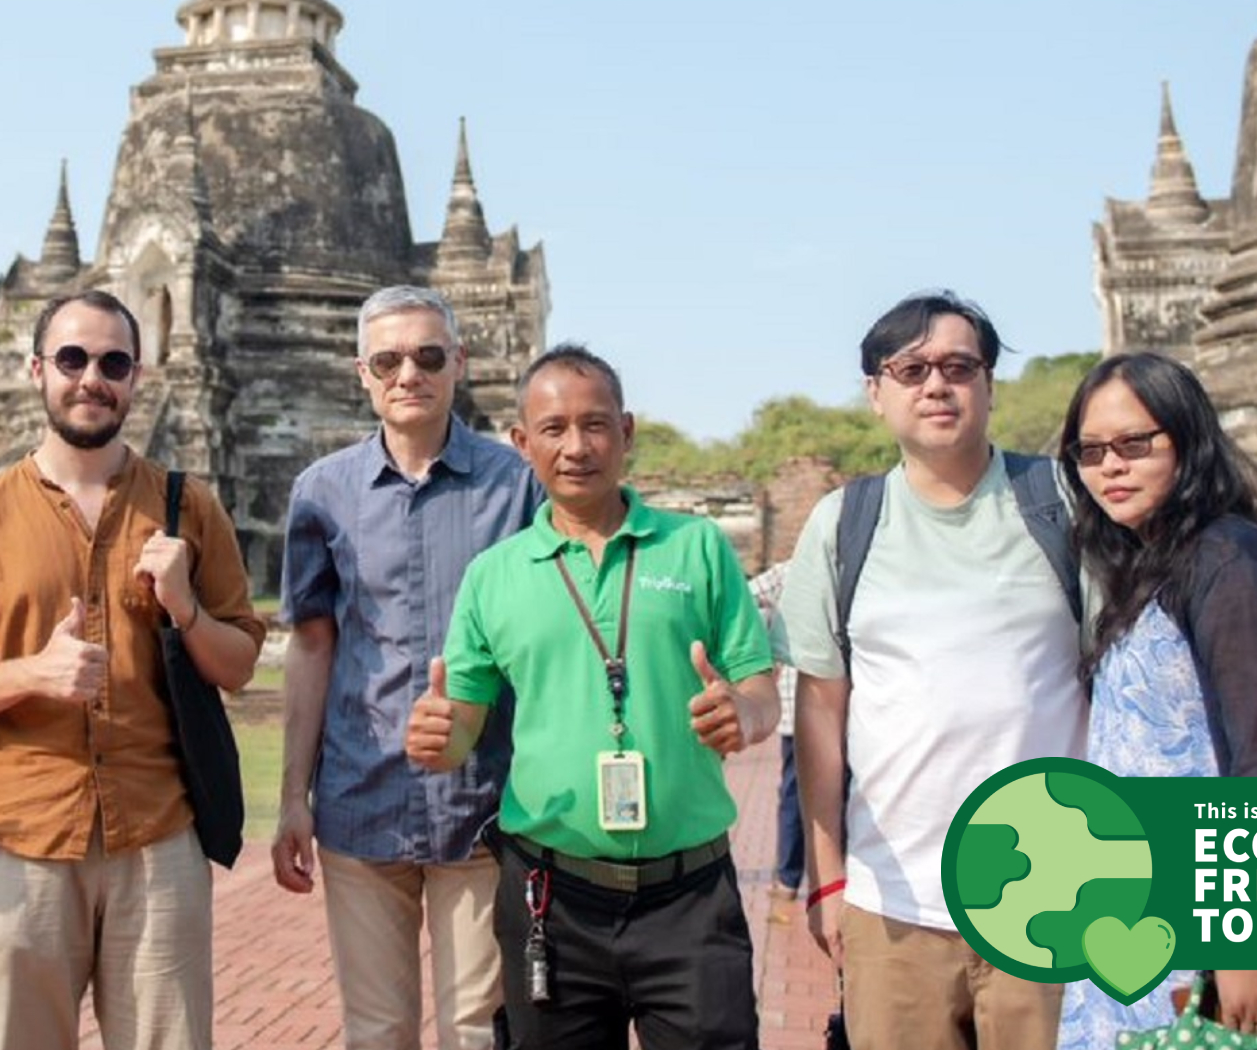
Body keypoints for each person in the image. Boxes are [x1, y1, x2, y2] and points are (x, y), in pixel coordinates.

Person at [0, 290, 266, 1049]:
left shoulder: (188, 509)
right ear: (37, 370)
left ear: (138, 376)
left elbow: (238, 663)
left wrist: (186, 609)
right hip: (21, 835)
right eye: (71, 358)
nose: (91, 378)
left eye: (113, 362)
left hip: (157, 835)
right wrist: (32, 674)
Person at [407, 344, 777, 1050]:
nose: (576, 446)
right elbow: (463, 724)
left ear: (627, 432)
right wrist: (439, 734)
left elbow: (758, 685)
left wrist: (745, 713)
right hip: (552, 898)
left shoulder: (695, 548)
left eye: (596, 424)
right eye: (553, 429)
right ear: (522, 444)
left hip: (691, 895)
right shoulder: (495, 576)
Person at [772, 291, 1084, 1050]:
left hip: (1059, 890)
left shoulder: (1063, 504)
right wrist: (828, 878)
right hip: (894, 895)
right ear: (876, 395)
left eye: (957, 366)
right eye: (910, 369)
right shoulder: (845, 523)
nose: (936, 385)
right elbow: (820, 709)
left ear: (988, 384)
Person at [1052, 351, 1257, 1049]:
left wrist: (1248, 938)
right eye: (1089, 451)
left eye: (1135, 443)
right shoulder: (1151, 563)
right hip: (1152, 925)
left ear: (1189, 439)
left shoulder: (1230, 562)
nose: (1110, 466)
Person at [272, 287, 543, 1050]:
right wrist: (294, 797)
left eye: (428, 356)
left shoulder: (517, 484)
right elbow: (312, 645)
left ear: (459, 363)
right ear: (363, 372)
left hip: (484, 798)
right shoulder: (322, 492)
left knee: (479, 1029)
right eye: (387, 360)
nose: (408, 375)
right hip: (363, 794)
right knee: (377, 1029)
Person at [748, 563, 806, 924]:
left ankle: (791, 877)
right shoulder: (790, 572)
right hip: (802, 704)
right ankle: (789, 876)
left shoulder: (792, 570)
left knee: (797, 796)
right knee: (797, 796)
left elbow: (747, 596)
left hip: (830, 704)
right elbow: (745, 597)